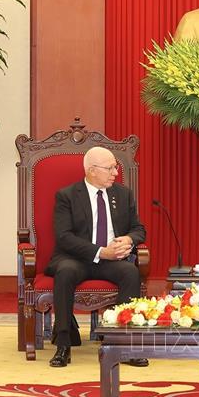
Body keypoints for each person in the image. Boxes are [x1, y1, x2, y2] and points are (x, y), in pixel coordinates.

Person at [45, 146, 147, 368]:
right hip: (75, 258)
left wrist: (129, 239)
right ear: (92, 170)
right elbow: (64, 237)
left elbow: (139, 229)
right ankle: (63, 345)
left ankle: (124, 344)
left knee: (130, 272)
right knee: (65, 272)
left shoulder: (123, 194)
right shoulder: (67, 196)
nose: (115, 173)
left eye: (115, 167)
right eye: (110, 168)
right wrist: (100, 252)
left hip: (111, 260)